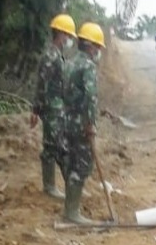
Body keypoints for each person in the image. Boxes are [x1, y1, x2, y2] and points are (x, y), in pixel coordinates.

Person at [61, 22, 106, 224]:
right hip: (80, 124)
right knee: (81, 165)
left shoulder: (69, 62)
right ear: (89, 46)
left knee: (71, 163)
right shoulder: (87, 66)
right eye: (97, 47)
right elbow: (90, 97)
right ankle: (72, 213)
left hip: (67, 121)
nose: (98, 51)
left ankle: (70, 209)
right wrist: (90, 123)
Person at [30, 13, 77, 199]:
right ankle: (57, 187)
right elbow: (42, 84)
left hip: (57, 109)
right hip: (52, 109)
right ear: (60, 34)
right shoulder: (51, 56)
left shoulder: (57, 55)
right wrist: (36, 109)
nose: (70, 40)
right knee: (58, 147)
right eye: (68, 36)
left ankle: (63, 187)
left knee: (53, 147)